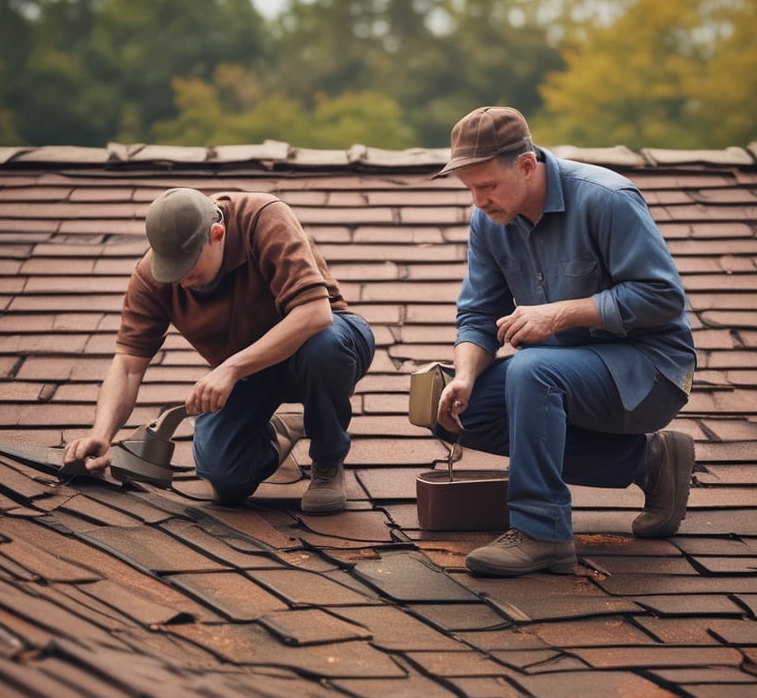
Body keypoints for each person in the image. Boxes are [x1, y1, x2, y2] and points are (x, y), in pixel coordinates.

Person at [433, 106, 696, 577]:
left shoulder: (606, 198)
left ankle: (543, 533)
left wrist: (558, 314)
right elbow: (478, 314)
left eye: (487, 186)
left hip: (649, 371)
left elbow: (663, 297)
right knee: (451, 409)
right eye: (468, 188)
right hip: (563, 370)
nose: (478, 200)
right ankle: (648, 461)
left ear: (527, 166)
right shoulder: (490, 221)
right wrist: (465, 377)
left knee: (534, 370)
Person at [64, 187, 375, 513]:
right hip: (252, 370)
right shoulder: (153, 277)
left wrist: (229, 369)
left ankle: (327, 460)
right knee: (225, 480)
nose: (181, 281)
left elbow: (315, 314)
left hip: (324, 339)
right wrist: (102, 433)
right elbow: (128, 365)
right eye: (172, 272)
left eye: (189, 268)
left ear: (217, 234)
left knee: (325, 348)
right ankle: (276, 435)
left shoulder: (262, 217)